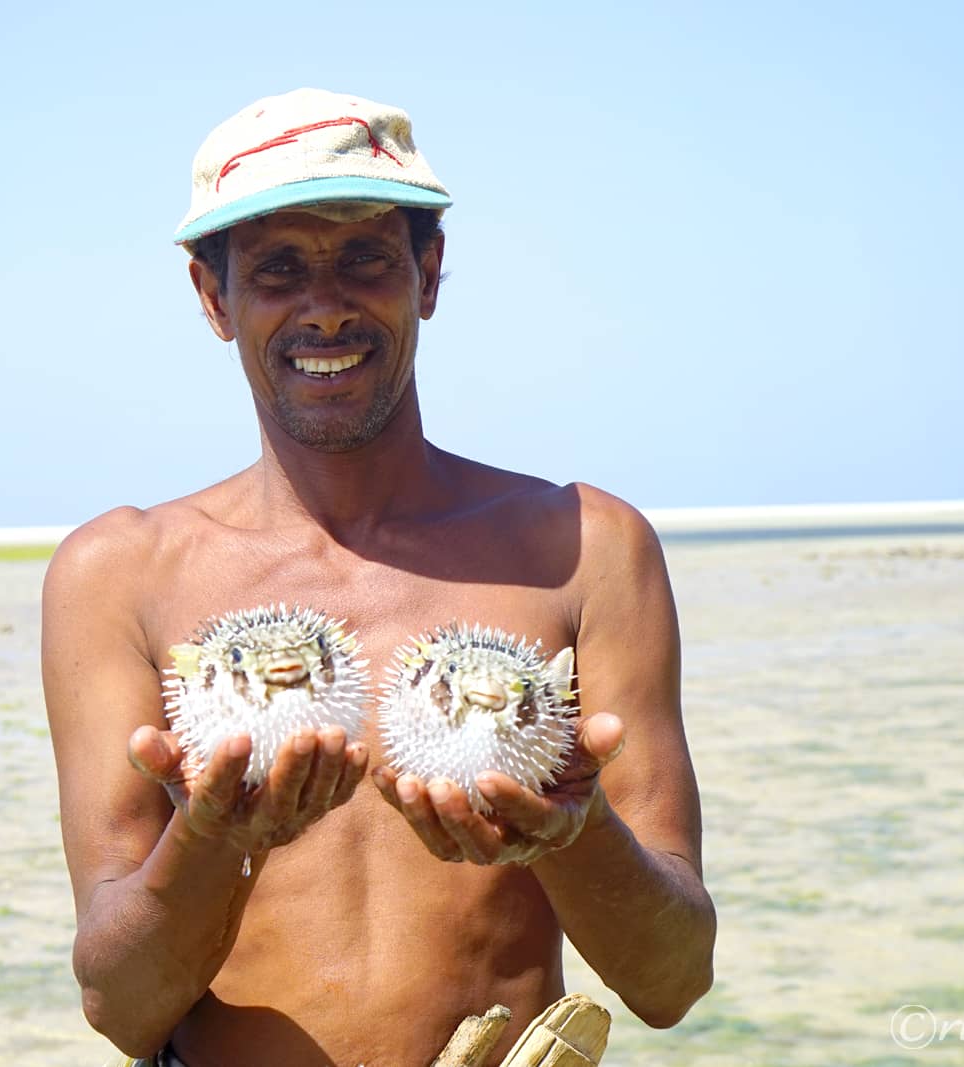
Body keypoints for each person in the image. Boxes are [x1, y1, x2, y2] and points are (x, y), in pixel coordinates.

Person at [42, 88, 716, 1067]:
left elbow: (671, 978)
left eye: (363, 257)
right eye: (277, 267)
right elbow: (120, 1002)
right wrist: (212, 836)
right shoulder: (119, 573)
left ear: (426, 272)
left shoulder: (582, 546)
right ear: (212, 294)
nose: (324, 305)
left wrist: (570, 828)